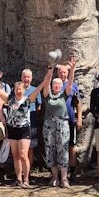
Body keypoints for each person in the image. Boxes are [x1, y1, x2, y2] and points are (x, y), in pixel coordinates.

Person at [4, 77, 49, 188]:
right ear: (14, 90)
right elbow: (0, 92)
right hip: (12, 129)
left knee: (24, 155)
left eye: (20, 89)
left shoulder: (28, 100)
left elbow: (38, 89)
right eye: (16, 89)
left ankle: (26, 179)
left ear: (24, 90)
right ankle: (18, 179)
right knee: (15, 155)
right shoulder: (10, 100)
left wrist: (45, 80)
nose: (18, 91)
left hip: (24, 130)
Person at [42, 55, 76, 188]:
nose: (57, 86)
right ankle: (54, 177)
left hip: (62, 124)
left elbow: (71, 82)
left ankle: (64, 179)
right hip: (49, 125)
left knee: (63, 150)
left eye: (59, 84)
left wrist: (72, 70)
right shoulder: (47, 95)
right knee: (50, 150)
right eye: (55, 84)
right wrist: (50, 68)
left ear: (62, 86)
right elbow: (47, 80)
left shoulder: (64, 94)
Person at [56, 63, 81, 182]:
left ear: (68, 73)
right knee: (58, 146)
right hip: (57, 121)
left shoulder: (74, 86)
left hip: (70, 119)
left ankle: (73, 171)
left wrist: (79, 118)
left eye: (65, 72)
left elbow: (78, 103)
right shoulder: (55, 85)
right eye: (60, 72)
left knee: (71, 146)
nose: (62, 74)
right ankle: (58, 171)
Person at [21, 67, 41, 171]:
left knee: (31, 147)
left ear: (31, 78)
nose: (26, 79)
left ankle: (28, 171)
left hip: (32, 122)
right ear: (21, 77)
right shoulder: (18, 89)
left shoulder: (35, 90)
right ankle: (21, 172)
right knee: (21, 149)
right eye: (24, 77)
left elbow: (39, 107)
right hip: (19, 123)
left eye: (28, 77)